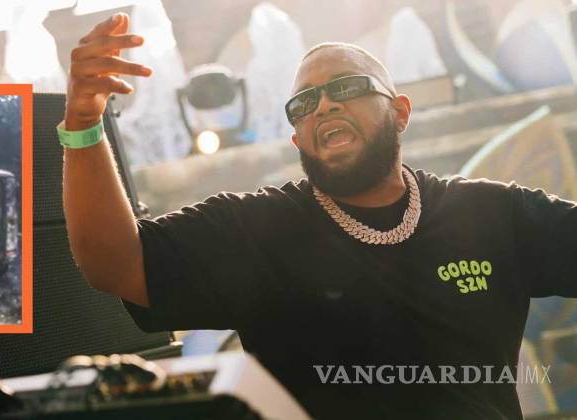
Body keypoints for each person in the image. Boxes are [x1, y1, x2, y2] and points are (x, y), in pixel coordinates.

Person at [62, 12, 577, 420]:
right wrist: (84, 123)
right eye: (303, 104)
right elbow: (116, 264)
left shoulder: (491, 214)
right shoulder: (255, 229)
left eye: (347, 88)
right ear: (297, 138)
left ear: (399, 112)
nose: (324, 104)